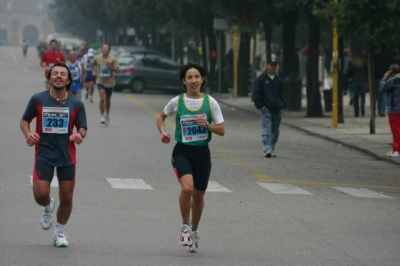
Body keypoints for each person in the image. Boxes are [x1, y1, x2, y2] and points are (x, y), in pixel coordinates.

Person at [156, 62, 225, 252]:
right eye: (189, 77)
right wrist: (163, 132)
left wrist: (207, 126)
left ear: (202, 80)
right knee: (187, 189)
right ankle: (185, 226)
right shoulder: (177, 102)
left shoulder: (211, 102)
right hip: (182, 152)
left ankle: (194, 231)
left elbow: (222, 130)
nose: (194, 80)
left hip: (202, 153)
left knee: (199, 196)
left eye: (197, 77)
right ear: (183, 81)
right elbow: (160, 117)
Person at [20, 62, 87, 247]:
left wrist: (79, 135)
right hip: (44, 153)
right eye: (55, 73)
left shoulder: (76, 103)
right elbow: (25, 120)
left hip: (67, 155)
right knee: (40, 194)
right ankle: (48, 205)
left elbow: (83, 127)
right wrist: (28, 134)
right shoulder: (38, 99)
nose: (58, 76)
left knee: (67, 197)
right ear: (49, 78)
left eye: (62, 74)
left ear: (68, 80)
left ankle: (59, 233)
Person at [252, 58, 286, 158]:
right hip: (266, 108)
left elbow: (282, 93)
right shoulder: (261, 79)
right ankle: (267, 148)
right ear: (267, 66)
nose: (273, 67)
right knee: (267, 128)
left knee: (275, 130)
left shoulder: (278, 80)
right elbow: (256, 93)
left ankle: (271, 147)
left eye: (275, 65)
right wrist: (260, 106)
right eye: (271, 65)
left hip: (277, 108)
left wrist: (282, 104)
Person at [90, 43, 119, 125]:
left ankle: (107, 114)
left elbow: (117, 70)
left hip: (110, 82)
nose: (105, 50)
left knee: (108, 100)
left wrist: (110, 66)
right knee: (102, 98)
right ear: (101, 49)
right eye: (103, 48)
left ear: (109, 50)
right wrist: (94, 71)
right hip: (100, 80)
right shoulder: (97, 58)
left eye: (106, 48)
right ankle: (102, 116)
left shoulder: (113, 59)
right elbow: (91, 64)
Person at [379, 64, 400, 157]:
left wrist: (384, 78)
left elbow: (382, 88)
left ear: (390, 71)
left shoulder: (392, 80)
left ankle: (397, 149)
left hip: (394, 108)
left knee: (395, 130)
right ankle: (395, 148)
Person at [346, 51, 367, 117]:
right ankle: (362, 107)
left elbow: (349, 72)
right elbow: (367, 71)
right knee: (363, 96)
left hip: (355, 80)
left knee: (356, 97)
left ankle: (356, 112)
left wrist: (350, 77)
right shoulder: (364, 63)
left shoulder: (352, 63)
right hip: (362, 80)